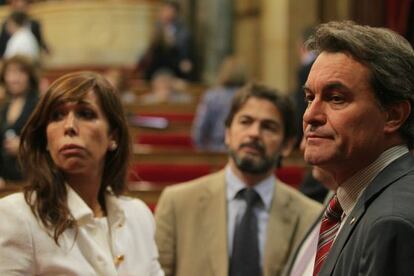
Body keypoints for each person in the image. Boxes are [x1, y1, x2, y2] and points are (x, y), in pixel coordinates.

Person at [0, 71, 164, 275]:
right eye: (57, 116)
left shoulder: (139, 216)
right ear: (46, 140)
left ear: (112, 136)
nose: (69, 126)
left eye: (86, 114)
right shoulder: (19, 217)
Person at [155, 83, 322, 276]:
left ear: (286, 145)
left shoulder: (310, 217)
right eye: (245, 121)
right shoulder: (178, 203)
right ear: (227, 133)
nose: (254, 133)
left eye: (268, 127)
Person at [302, 21, 414, 275]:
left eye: (336, 98)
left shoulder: (391, 222)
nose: (311, 115)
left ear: (393, 115)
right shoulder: (355, 200)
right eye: (310, 98)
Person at [192, 56, 248, 151]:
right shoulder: (248, 97)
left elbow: (199, 129)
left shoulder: (211, 96)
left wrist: (202, 152)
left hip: (215, 149)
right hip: (241, 149)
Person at [0, 55, 39, 187]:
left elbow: (47, 142)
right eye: (10, 72)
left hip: (31, 177)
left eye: (20, 72)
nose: (14, 79)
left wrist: (25, 147)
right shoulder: (4, 106)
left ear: (29, 76)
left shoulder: (38, 103)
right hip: (6, 179)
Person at [136, 1, 194, 81]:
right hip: (157, 61)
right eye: (164, 11)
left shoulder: (183, 30)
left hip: (175, 60)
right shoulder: (156, 26)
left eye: (169, 11)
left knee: (185, 67)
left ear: (176, 14)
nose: (166, 14)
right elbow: (150, 47)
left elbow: (183, 49)